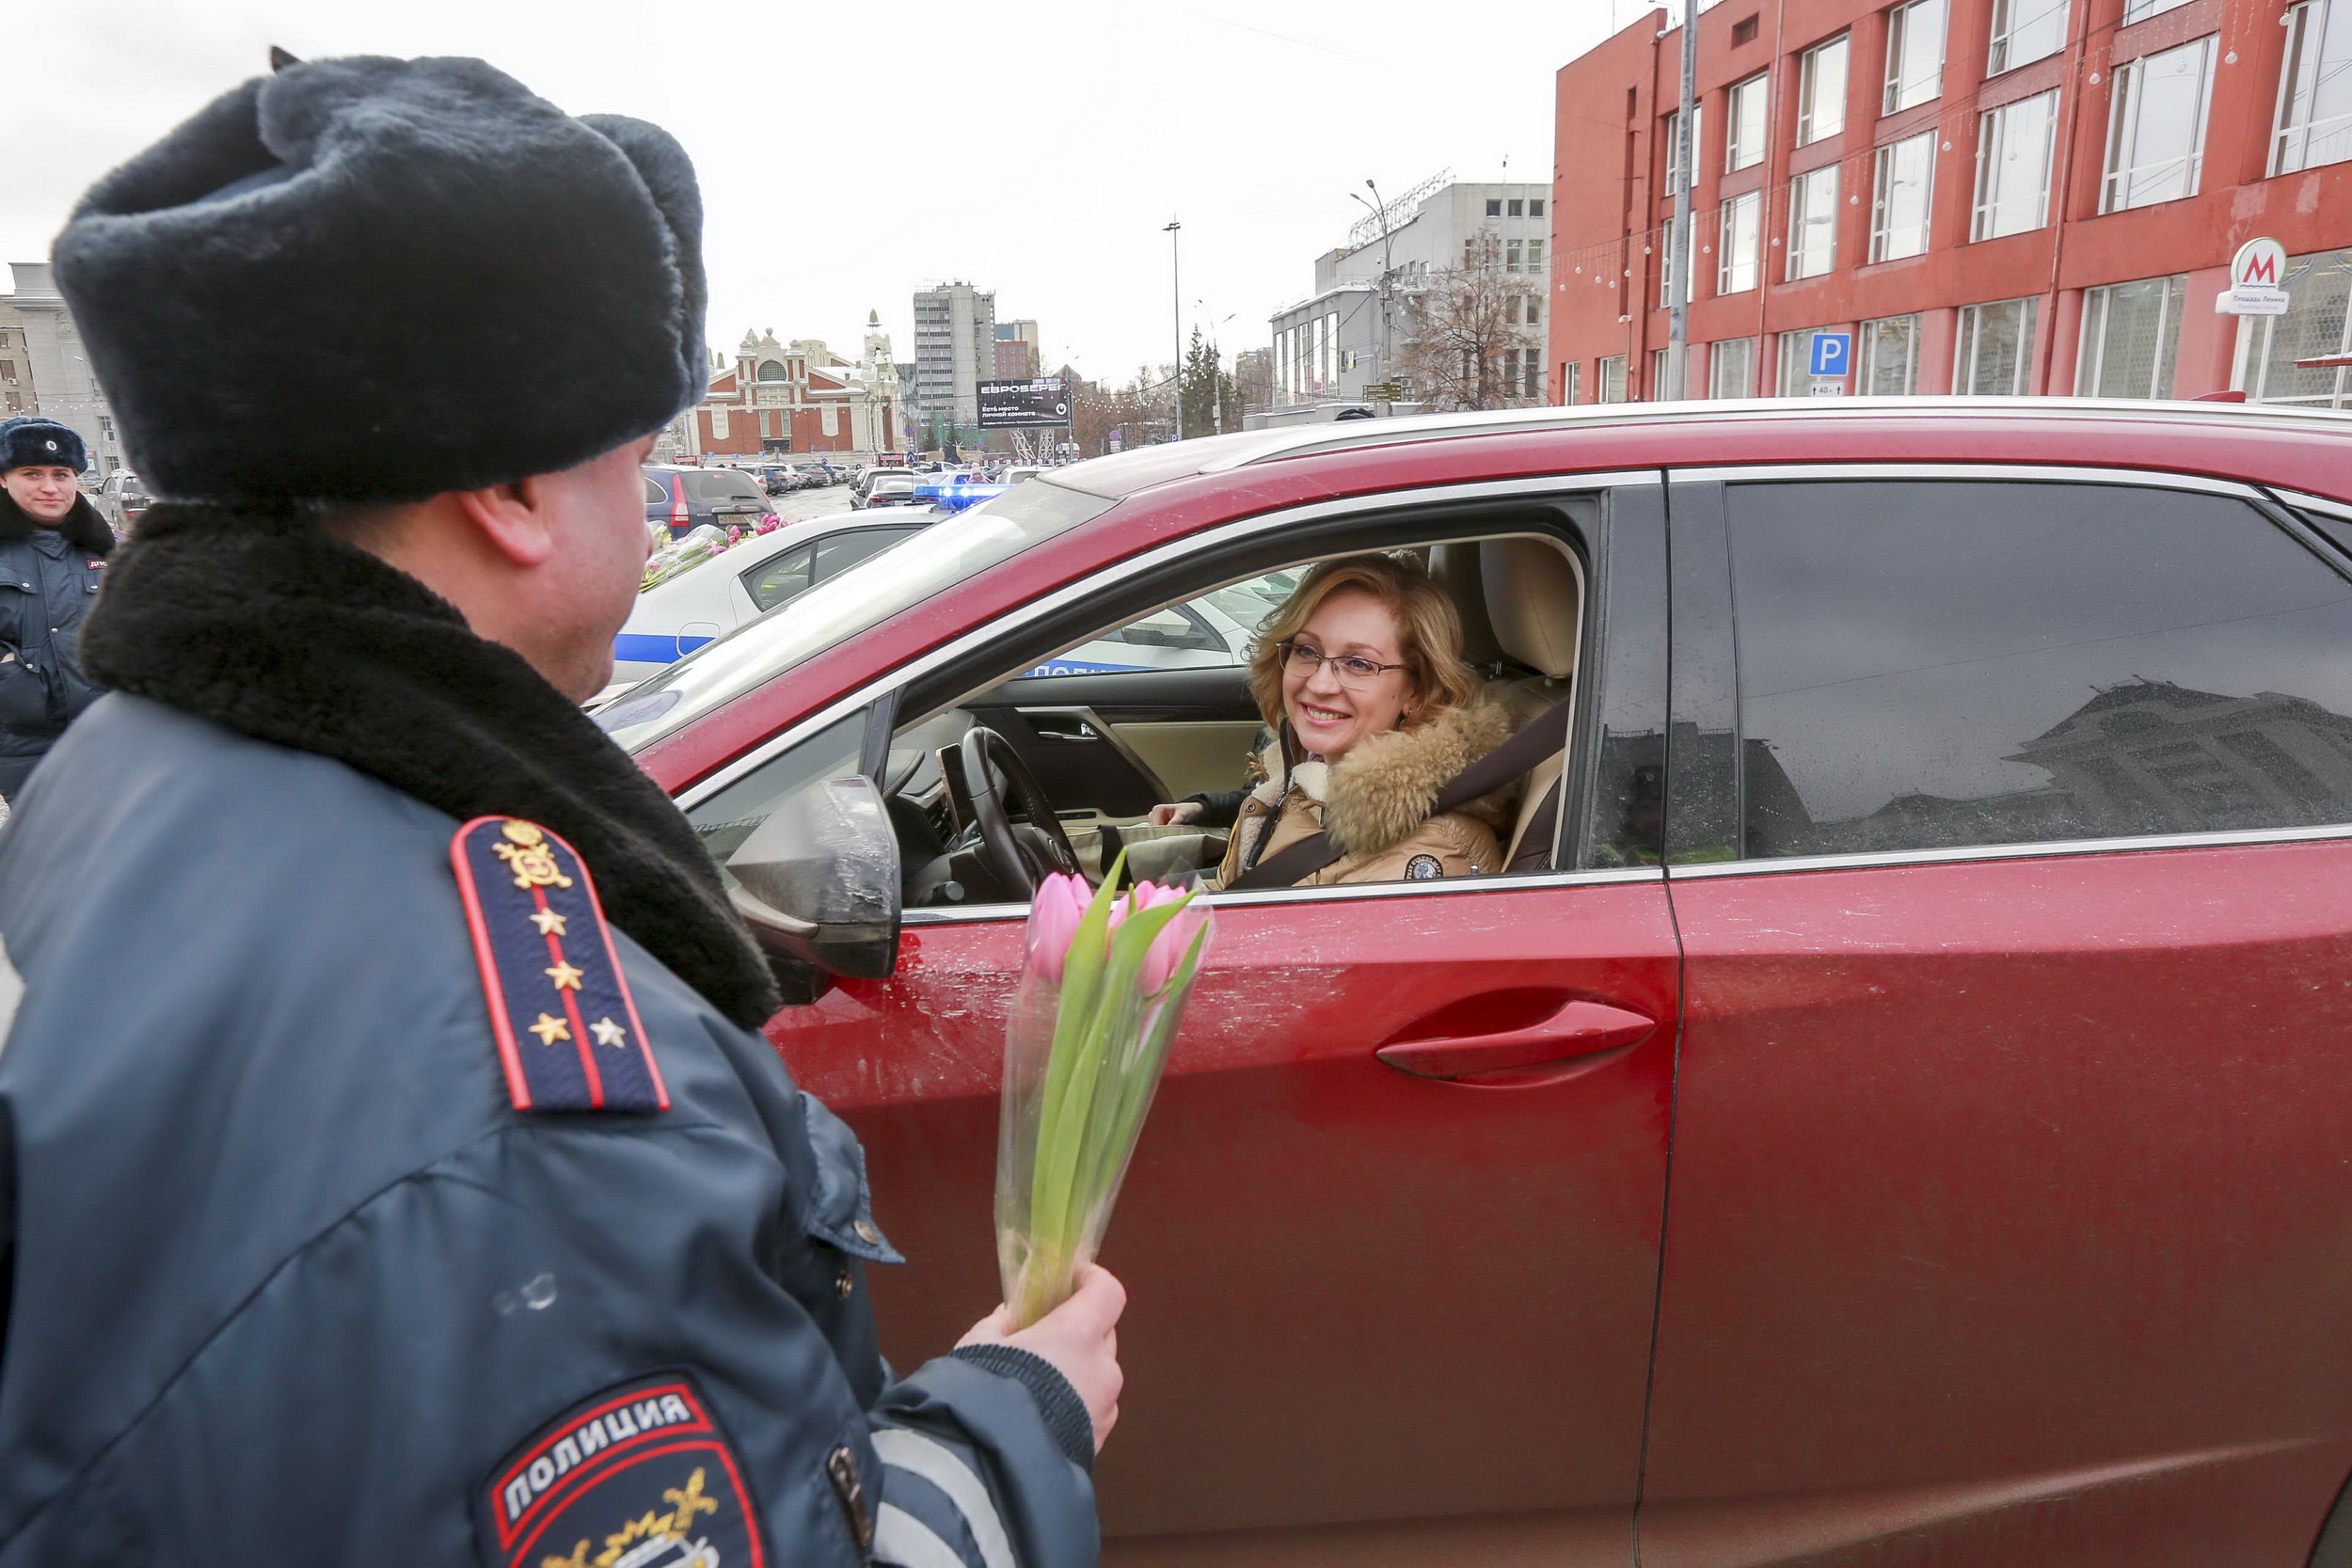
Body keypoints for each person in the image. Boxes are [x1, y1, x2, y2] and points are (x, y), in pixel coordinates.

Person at [0, 53, 1118, 1568]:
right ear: (516, 489)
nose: (657, 512)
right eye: (643, 456)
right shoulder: (551, 1119)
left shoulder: (132, 762)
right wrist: (1012, 1424)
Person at [1151, 554, 1518, 888]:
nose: (1319, 684)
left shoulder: (1426, 854)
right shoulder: (1307, 775)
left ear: (1416, 692)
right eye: (1307, 651)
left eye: (1359, 663)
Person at [0, 417, 112, 801]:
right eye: (32, 473)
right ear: (3, 478)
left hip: (116, 735)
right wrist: (11, 677)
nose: (50, 487)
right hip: (28, 745)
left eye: (61, 474)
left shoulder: (110, 548)